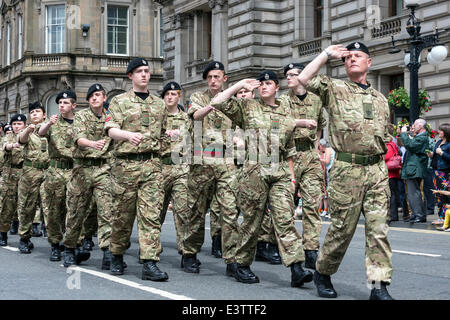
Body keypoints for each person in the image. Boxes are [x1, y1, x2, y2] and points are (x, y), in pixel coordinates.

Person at [298, 41, 394, 300]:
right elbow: (303, 78)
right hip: (346, 168)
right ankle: (323, 272)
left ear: (369, 62)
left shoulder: (381, 99)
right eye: (348, 57)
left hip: (375, 169)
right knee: (342, 229)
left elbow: (385, 134)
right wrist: (325, 55)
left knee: (378, 230)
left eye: (358, 56)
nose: (352, 59)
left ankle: (378, 285)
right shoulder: (334, 87)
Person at [211, 70, 314, 287]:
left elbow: (290, 149)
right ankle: (242, 264)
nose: (265, 86)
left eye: (269, 83)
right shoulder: (248, 107)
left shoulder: (286, 112)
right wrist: (239, 84)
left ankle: (296, 268)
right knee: (252, 220)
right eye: (262, 84)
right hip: (254, 169)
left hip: (280, 171)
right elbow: (218, 102)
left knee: (285, 219)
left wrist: (293, 178)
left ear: (277, 88)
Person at [105, 57, 170, 281]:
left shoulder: (159, 104)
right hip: (126, 166)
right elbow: (111, 130)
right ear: (130, 75)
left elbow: (162, 134)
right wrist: (127, 135)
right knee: (122, 216)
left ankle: (149, 263)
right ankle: (116, 254)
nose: (144, 75)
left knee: (150, 217)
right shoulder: (119, 101)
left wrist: (171, 139)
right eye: (139, 71)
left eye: (147, 71)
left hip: (152, 165)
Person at [182, 61, 240, 276]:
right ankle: (189, 253)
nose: (213, 81)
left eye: (217, 77)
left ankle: (232, 260)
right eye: (210, 78)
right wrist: (214, 104)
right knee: (196, 211)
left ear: (225, 78)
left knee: (229, 210)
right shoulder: (198, 98)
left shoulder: (235, 102)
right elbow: (196, 115)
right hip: (202, 161)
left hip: (226, 162)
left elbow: (243, 125)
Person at [62, 83, 117, 270]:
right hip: (82, 170)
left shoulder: (111, 118)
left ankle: (108, 252)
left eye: (98, 95)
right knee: (76, 212)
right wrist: (93, 144)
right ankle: (70, 248)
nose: (94, 98)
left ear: (104, 98)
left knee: (107, 212)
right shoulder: (81, 116)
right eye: (91, 96)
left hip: (103, 170)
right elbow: (79, 139)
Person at [281, 62, 327, 270]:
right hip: (287, 155)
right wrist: (298, 124)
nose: (289, 77)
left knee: (311, 204)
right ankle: (290, 250)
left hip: (309, 155)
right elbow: (276, 125)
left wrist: (316, 148)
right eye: (287, 75)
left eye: (293, 74)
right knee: (285, 207)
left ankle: (311, 250)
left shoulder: (316, 100)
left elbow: (320, 126)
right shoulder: (282, 101)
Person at [235, 86, 281, 265]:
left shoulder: (259, 113)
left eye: (246, 92)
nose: (243, 94)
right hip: (235, 167)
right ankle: (233, 249)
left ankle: (263, 246)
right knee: (242, 212)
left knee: (264, 210)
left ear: (252, 94)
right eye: (240, 92)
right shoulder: (236, 113)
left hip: (259, 166)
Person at [158, 81, 191, 256]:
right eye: (167, 94)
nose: (170, 97)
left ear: (179, 96)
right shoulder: (157, 117)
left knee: (183, 211)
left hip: (181, 168)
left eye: (173, 94)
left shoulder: (186, 118)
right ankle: (151, 248)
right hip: (160, 167)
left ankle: (186, 251)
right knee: (156, 211)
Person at [16, 103, 49, 252]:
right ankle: (24, 237)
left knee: (51, 206)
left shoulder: (51, 128)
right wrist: (28, 130)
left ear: (44, 114)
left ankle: (56, 240)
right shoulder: (26, 130)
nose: (34, 114)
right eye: (32, 112)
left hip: (49, 170)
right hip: (31, 171)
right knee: (27, 206)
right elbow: (21, 140)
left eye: (38, 112)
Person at [0, 114, 26, 247]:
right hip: (9, 174)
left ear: (24, 125)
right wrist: (11, 146)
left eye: (19, 124)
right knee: (7, 206)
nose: (16, 126)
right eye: (14, 124)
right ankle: (3, 233)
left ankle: (25, 237)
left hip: (25, 173)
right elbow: (5, 146)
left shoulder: (29, 138)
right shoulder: (7, 137)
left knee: (25, 207)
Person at [400, 119, 429, 223]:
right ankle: (416, 213)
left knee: (414, 193)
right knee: (412, 193)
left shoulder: (422, 137)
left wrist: (403, 133)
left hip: (415, 169)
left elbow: (411, 145)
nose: (413, 127)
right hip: (413, 168)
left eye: (415, 125)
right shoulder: (419, 137)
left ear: (420, 126)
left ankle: (419, 215)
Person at [429, 123, 450, 225]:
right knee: (437, 194)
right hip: (436, 171)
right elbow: (436, 156)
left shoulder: (449, 144)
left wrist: (442, 153)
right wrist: (431, 155)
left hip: (445, 172)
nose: (439, 132)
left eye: (440, 130)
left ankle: (445, 217)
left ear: (445, 132)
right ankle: (440, 217)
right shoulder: (438, 142)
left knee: (444, 194)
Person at [385, 124, 401, 222]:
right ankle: (392, 214)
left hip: (390, 173)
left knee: (391, 195)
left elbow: (387, 157)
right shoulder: (392, 144)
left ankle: (393, 215)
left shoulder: (389, 145)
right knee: (392, 194)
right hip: (392, 173)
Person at [318, 138, 335, 218]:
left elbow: (327, 162)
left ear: (322, 145)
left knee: (330, 193)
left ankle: (331, 212)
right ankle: (329, 211)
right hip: (330, 172)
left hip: (332, 173)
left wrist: (319, 159)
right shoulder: (330, 150)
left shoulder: (328, 150)